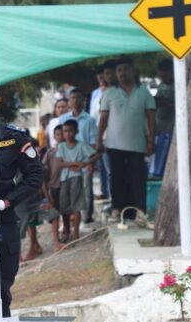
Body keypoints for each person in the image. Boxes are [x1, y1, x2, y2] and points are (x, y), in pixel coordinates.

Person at [96, 57, 155, 220]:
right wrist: (99, 140)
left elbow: (151, 117)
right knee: (116, 178)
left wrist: (151, 141)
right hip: (114, 144)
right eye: (119, 70)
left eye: (125, 69)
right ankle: (117, 209)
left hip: (137, 144)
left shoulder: (144, 92)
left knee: (138, 178)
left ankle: (140, 211)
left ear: (133, 71)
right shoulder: (109, 93)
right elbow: (103, 119)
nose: (122, 73)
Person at [0, 117, 44, 317]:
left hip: (4, 218)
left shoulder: (12, 136)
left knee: (2, 287)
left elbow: (34, 175)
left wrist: (8, 201)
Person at [58, 89, 98, 223]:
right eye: (72, 98)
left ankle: (86, 218)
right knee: (68, 192)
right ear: (69, 101)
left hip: (84, 162)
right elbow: (59, 141)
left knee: (86, 190)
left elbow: (93, 143)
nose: (75, 100)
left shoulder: (90, 120)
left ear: (83, 100)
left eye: (78, 98)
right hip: (67, 163)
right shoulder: (63, 119)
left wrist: (90, 163)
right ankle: (70, 219)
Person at [58, 119, 99, 241]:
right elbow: (59, 164)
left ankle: (75, 233)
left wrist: (85, 164)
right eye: (65, 131)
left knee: (76, 207)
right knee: (64, 208)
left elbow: (96, 154)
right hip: (64, 179)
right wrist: (75, 163)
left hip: (76, 178)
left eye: (70, 131)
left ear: (76, 131)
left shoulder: (81, 145)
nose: (68, 134)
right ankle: (67, 231)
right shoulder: (61, 146)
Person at [90, 61, 116, 201]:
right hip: (99, 133)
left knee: (111, 169)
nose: (102, 79)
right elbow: (93, 115)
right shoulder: (95, 93)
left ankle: (114, 198)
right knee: (103, 168)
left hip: (111, 135)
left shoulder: (112, 92)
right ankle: (106, 192)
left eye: (104, 76)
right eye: (100, 77)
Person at [41, 129, 67, 252]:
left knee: (66, 210)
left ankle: (67, 232)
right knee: (54, 212)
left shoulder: (68, 150)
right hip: (54, 186)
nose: (61, 136)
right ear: (54, 136)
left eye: (62, 133)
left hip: (66, 184)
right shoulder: (50, 152)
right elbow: (44, 169)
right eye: (58, 134)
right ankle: (56, 239)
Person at [150, 59, 175, 178]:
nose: (163, 77)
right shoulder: (162, 85)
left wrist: (165, 103)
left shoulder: (179, 86)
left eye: (165, 75)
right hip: (160, 128)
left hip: (171, 130)